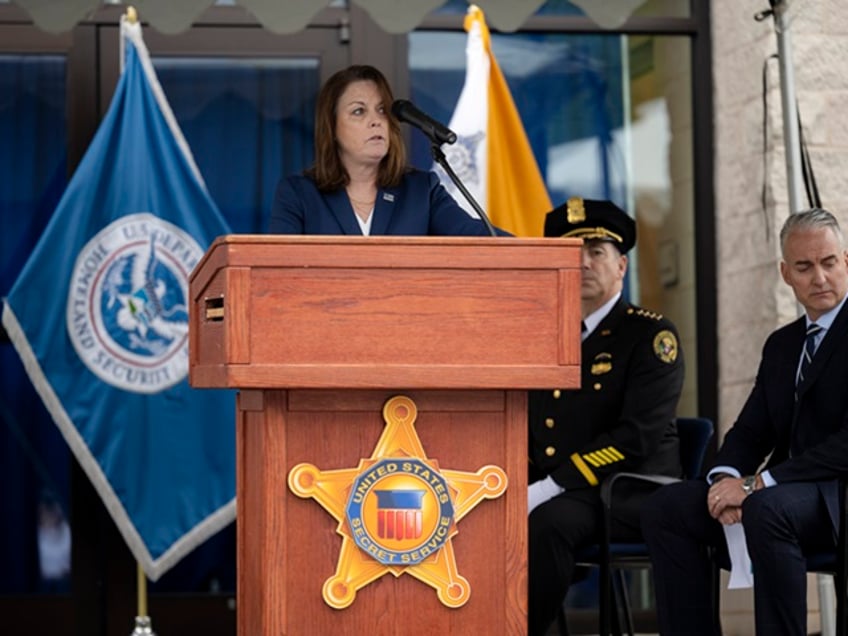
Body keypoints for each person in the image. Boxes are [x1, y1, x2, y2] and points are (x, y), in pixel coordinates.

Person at [641, 207, 848, 635]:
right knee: (670, 506)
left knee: (768, 509)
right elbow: (753, 429)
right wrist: (725, 479)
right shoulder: (783, 344)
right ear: (785, 272)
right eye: (805, 267)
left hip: (836, 493)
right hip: (789, 494)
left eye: (829, 263)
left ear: (846, 261)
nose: (820, 278)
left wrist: (757, 484)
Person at [528, 197, 685, 635]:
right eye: (571, 253)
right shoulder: (546, 336)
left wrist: (551, 485)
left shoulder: (650, 335)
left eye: (596, 252)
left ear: (622, 267)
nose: (583, 263)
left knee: (547, 524)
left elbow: (638, 437)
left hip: (629, 489)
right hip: (563, 488)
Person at [268, 64, 505, 237]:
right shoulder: (298, 194)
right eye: (359, 111)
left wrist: (539, 251)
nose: (376, 121)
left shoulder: (422, 191)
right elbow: (275, 271)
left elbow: (477, 237)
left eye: (382, 110)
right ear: (331, 128)